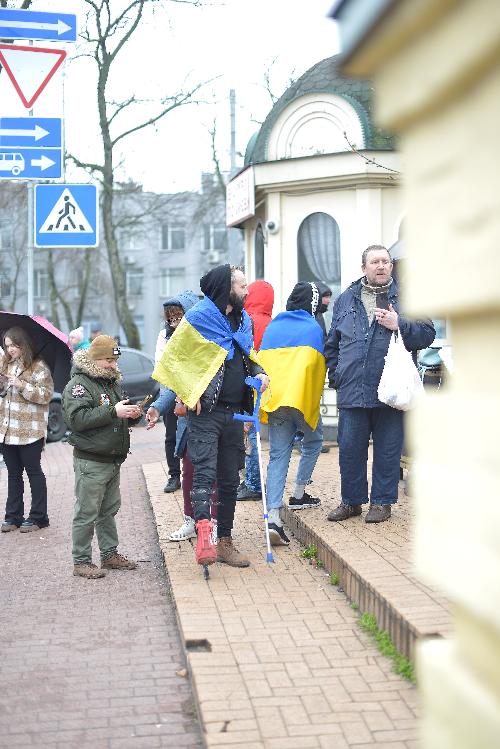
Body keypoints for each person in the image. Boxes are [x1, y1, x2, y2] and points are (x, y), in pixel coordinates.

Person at [153, 264, 269, 569]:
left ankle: (225, 541)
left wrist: (260, 373)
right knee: (203, 473)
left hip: (235, 412)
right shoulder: (199, 318)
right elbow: (175, 363)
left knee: (230, 479)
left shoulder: (242, 320)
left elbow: (248, 356)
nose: (247, 291)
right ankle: (204, 534)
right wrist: (187, 394)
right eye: (242, 286)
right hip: (205, 413)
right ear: (226, 288)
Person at [325, 244, 435, 524]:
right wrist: (336, 375)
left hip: (390, 390)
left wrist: (401, 324)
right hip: (352, 388)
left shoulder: (406, 298)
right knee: (349, 449)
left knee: (387, 449)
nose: (381, 266)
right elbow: (332, 344)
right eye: (374, 262)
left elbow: (427, 334)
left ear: (391, 266)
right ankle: (351, 502)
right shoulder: (346, 298)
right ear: (364, 268)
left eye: (385, 261)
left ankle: (382, 502)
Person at [62, 335, 142, 579]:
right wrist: (113, 411)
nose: (114, 365)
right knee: (87, 512)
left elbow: (114, 413)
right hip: (91, 461)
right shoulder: (78, 385)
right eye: (109, 360)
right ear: (95, 359)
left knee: (108, 510)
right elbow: (77, 420)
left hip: (111, 459)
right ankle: (81, 561)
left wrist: (132, 413)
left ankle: (109, 555)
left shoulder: (110, 382)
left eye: (115, 360)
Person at [258, 282, 326, 545]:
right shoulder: (312, 327)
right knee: (314, 441)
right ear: (312, 303)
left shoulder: (273, 326)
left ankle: (274, 514)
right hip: (301, 399)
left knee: (278, 454)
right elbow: (316, 368)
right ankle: (299, 494)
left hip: (276, 400)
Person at [0, 327, 54, 533]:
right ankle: (13, 516)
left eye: (13, 345)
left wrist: (22, 384)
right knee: (13, 474)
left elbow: (46, 395)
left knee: (33, 472)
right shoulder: (6, 364)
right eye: (7, 346)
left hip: (30, 431)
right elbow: (4, 394)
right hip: (6, 430)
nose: (10, 349)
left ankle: (39, 517)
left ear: (23, 344)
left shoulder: (38, 367)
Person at [145, 389, 217, 541]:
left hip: (217, 421)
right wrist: (157, 407)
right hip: (190, 426)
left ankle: (216, 524)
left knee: (217, 476)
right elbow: (174, 386)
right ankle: (190, 520)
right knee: (189, 474)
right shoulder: (185, 364)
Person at [154, 292, 198, 493]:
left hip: (193, 393)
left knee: (191, 434)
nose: (173, 322)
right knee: (171, 434)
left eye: (178, 317)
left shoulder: (196, 334)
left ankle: (193, 473)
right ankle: (174, 475)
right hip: (170, 391)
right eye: (170, 318)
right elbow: (162, 365)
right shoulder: (164, 335)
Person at [237, 279, 274, 501]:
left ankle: (252, 483)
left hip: (247, 385)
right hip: (267, 383)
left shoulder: (245, 321)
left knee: (249, 436)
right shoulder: (272, 322)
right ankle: (254, 482)